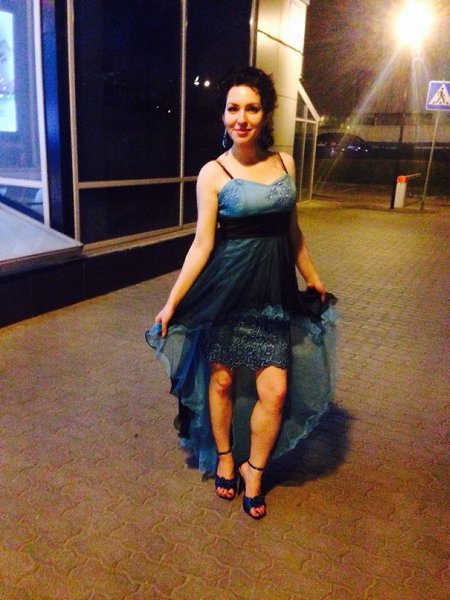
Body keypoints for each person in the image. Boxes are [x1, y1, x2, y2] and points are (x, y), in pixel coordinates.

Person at [146, 66, 337, 519]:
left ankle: (256, 469)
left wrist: (312, 276)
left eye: (252, 108)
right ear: (223, 115)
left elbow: (293, 232)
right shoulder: (212, 173)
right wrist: (172, 302)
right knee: (223, 380)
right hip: (226, 292)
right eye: (233, 109)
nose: (242, 118)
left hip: (273, 294)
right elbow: (202, 244)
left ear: (266, 114)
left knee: (275, 391)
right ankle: (227, 458)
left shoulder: (286, 163)